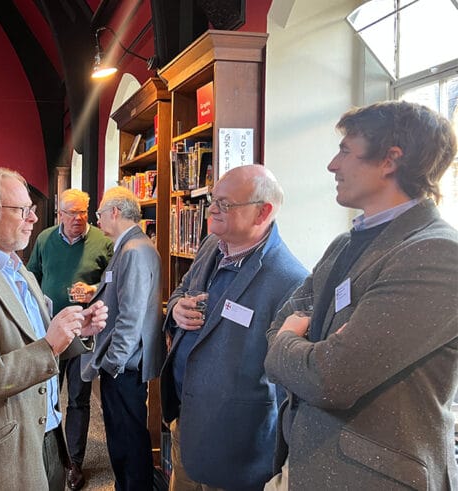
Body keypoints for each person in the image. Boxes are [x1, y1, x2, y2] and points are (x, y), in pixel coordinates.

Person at [264, 100, 458, 489]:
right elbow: (274, 327)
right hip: (306, 464)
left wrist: (289, 339)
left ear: (390, 160)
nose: (332, 165)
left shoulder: (436, 253)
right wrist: (297, 345)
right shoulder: (343, 243)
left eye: (345, 151)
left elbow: (330, 379)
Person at [0, 167, 108, 491]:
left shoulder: (19, 270)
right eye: (22, 210)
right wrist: (49, 347)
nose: (33, 219)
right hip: (2, 452)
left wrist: (77, 331)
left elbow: (35, 339)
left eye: (32, 210)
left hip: (47, 435)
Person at [160, 165, 307, 490]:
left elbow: (289, 381)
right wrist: (176, 309)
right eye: (214, 200)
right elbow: (183, 289)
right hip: (187, 421)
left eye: (224, 204)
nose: (211, 209)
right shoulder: (212, 245)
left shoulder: (291, 280)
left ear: (262, 212)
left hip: (237, 447)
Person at [77, 186, 165, 491]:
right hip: (124, 362)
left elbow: (132, 315)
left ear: (114, 212)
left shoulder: (135, 250)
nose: (97, 219)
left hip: (125, 365)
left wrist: (112, 363)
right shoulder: (129, 247)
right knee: (122, 439)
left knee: (128, 443)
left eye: (100, 213)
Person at [27, 188, 113, 490]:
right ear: (59, 214)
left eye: (82, 212)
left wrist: (92, 288)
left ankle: (74, 463)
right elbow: (32, 275)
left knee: (78, 399)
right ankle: (45, 456)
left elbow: (113, 281)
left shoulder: (103, 242)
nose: (77, 218)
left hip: (83, 332)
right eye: (70, 213)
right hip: (48, 331)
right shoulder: (45, 239)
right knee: (45, 394)